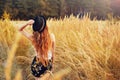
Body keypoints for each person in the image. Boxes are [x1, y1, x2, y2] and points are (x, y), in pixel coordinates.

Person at [18, 16, 55, 80]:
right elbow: (53, 53)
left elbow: (20, 29)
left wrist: (27, 23)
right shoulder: (52, 37)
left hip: (36, 65)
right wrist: (52, 65)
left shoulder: (33, 38)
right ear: (45, 27)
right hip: (47, 65)